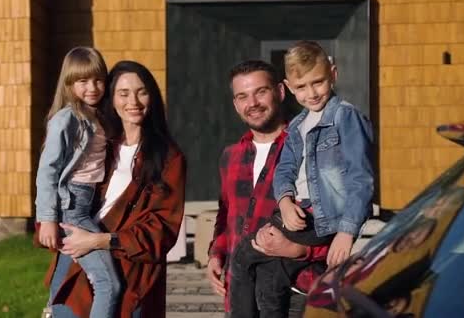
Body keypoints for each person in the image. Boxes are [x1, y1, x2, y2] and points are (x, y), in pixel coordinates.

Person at [230, 41, 375, 317]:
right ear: (288, 86)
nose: (311, 93)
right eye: (301, 87)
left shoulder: (346, 117)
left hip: (324, 216)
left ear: (333, 74)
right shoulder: (297, 125)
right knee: (271, 274)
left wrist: (346, 232)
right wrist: (284, 201)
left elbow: (361, 178)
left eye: (317, 82)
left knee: (243, 257)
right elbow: (284, 170)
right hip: (297, 212)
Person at [44, 60, 186, 318]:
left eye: (142, 91)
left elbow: (162, 229)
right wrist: (50, 221)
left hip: (129, 272)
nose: (134, 101)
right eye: (123, 93)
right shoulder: (100, 144)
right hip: (75, 263)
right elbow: (59, 182)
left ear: (152, 97)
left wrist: (99, 240)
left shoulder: (168, 158)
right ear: (111, 99)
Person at [206, 60, 329, 316]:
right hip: (240, 293)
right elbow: (225, 215)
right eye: (243, 96)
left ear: (281, 92)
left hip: (293, 295)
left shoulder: (310, 146)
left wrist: (303, 250)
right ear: (236, 104)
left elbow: (337, 213)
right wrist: (215, 255)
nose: (252, 103)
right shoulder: (231, 155)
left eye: (260, 92)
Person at [35, 46, 121, 318]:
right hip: (72, 208)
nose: (92, 87)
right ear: (69, 83)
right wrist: (47, 218)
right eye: (83, 81)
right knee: (109, 283)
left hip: (88, 204)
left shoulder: (99, 116)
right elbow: (47, 170)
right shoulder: (66, 119)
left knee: (70, 278)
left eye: (98, 80)